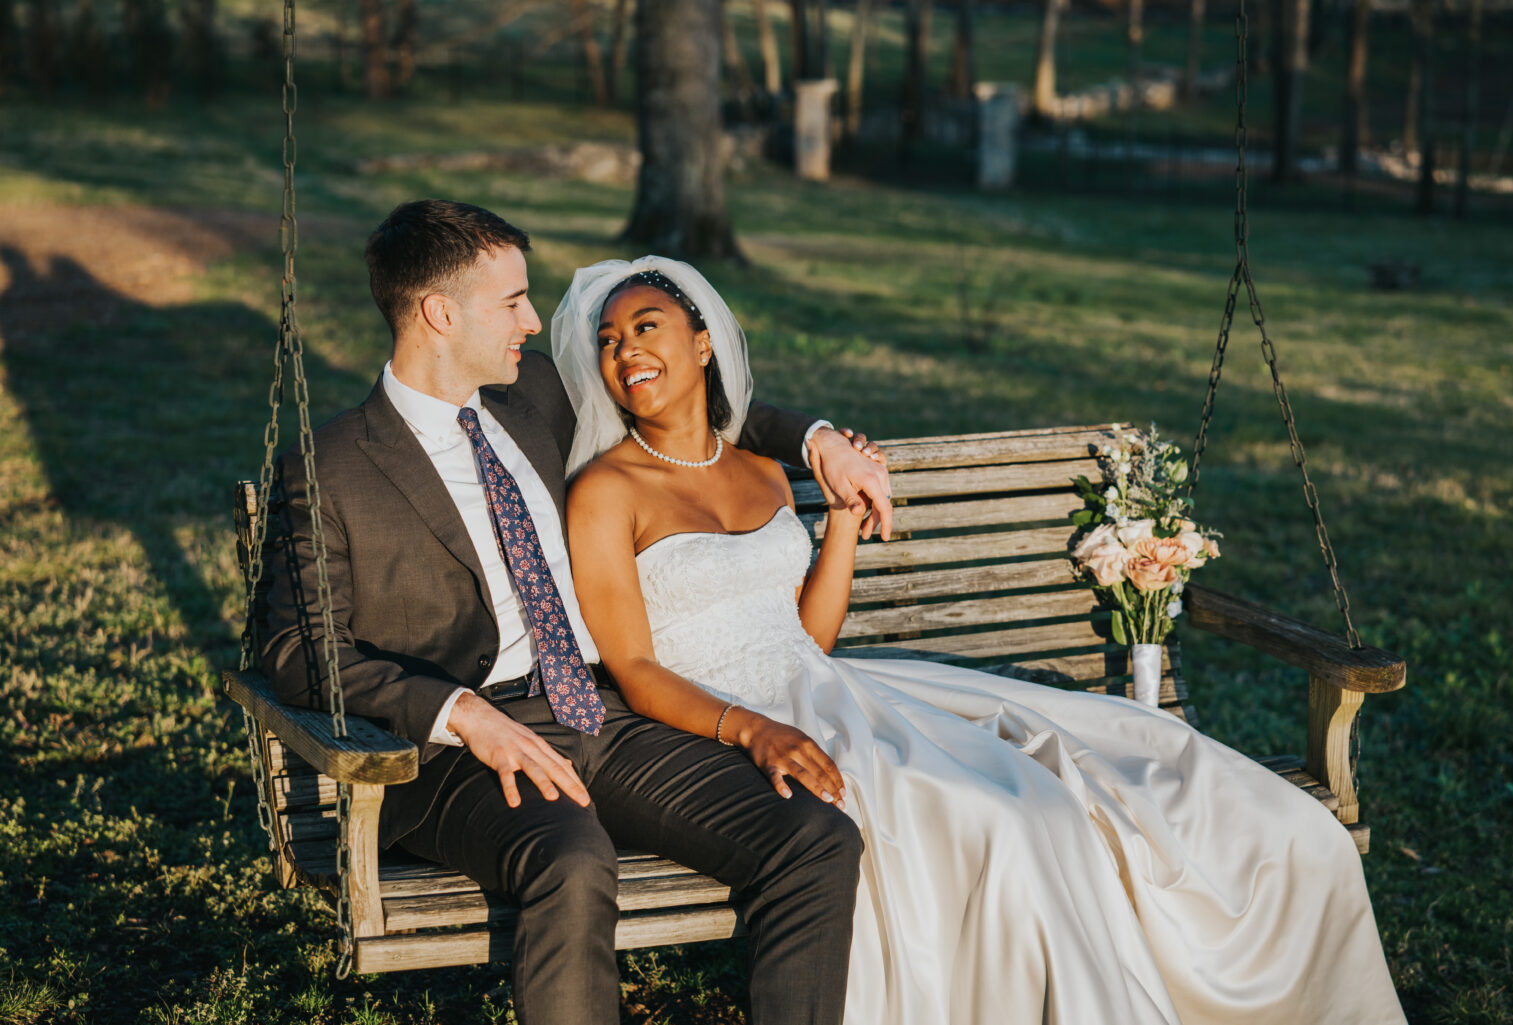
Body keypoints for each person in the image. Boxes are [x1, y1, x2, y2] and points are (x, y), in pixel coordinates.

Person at [557, 255, 1410, 1025]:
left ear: (702, 345)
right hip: (723, 718)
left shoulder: (763, 470)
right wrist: (753, 728)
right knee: (1003, 819)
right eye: (608, 338)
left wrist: (846, 529)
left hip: (828, 687)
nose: (626, 349)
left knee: (1088, 777)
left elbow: (806, 634)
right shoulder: (605, 491)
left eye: (647, 326)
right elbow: (632, 667)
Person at [261, 201, 891, 1025]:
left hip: (600, 712)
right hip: (457, 754)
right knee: (573, 856)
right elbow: (296, 651)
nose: (535, 318)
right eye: (513, 301)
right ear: (440, 314)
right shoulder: (332, 465)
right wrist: (462, 714)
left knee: (814, 837)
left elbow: (698, 403)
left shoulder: (535, 402)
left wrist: (815, 441)